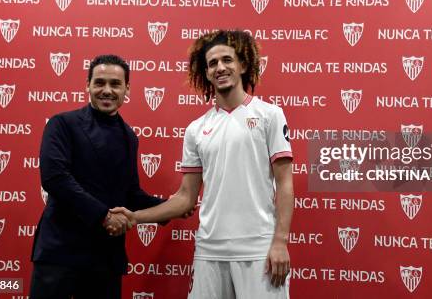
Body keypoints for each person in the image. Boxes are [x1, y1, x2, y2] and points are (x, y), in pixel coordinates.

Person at [112, 30, 294, 298]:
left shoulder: (270, 115)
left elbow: (285, 183)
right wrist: (135, 217)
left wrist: (280, 242)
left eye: (227, 60)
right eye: (212, 63)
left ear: (243, 65)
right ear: (206, 73)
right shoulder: (197, 129)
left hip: (258, 249)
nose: (220, 68)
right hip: (210, 250)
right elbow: (186, 198)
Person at [30, 54, 165, 299]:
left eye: (115, 84)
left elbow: (130, 193)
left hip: (105, 258)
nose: (107, 90)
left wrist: (171, 207)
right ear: (88, 85)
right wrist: (104, 216)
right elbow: (55, 178)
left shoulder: (129, 137)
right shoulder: (62, 124)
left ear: (127, 89)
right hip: (60, 253)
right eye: (99, 83)